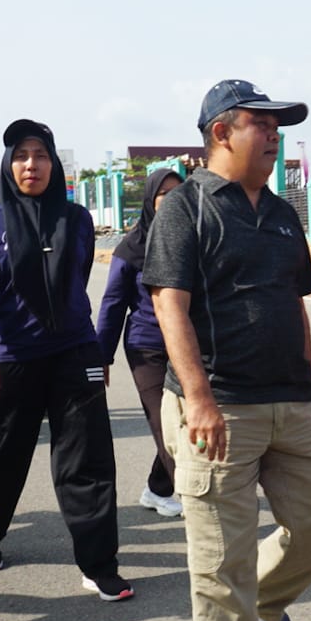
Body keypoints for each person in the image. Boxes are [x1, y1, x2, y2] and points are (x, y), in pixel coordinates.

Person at [144, 79, 311, 621]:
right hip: (219, 409)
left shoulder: (283, 213)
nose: (274, 135)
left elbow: (293, 302)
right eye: (262, 124)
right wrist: (198, 397)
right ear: (221, 132)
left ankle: (268, 597)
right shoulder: (186, 207)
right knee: (220, 560)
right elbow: (169, 304)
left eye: (277, 126)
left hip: (290, 400)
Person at [0, 119, 132, 603]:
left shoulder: (76, 219)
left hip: (74, 351)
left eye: (40, 155)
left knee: (88, 459)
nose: (31, 165)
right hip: (13, 357)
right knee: (7, 453)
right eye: (21, 155)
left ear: (54, 164)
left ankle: (99, 564)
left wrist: (92, 346)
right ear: (7, 165)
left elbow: (77, 279)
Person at [96, 167, 185, 518]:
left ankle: (157, 489)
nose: (173, 199)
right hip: (147, 348)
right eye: (165, 194)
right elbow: (113, 303)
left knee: (186, 423)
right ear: (151, 200)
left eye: (178, 192)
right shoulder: (131, 248)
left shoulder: (193, 238)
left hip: (187, 347)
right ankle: (198, 502)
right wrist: (102, 357)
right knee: (167, 428)